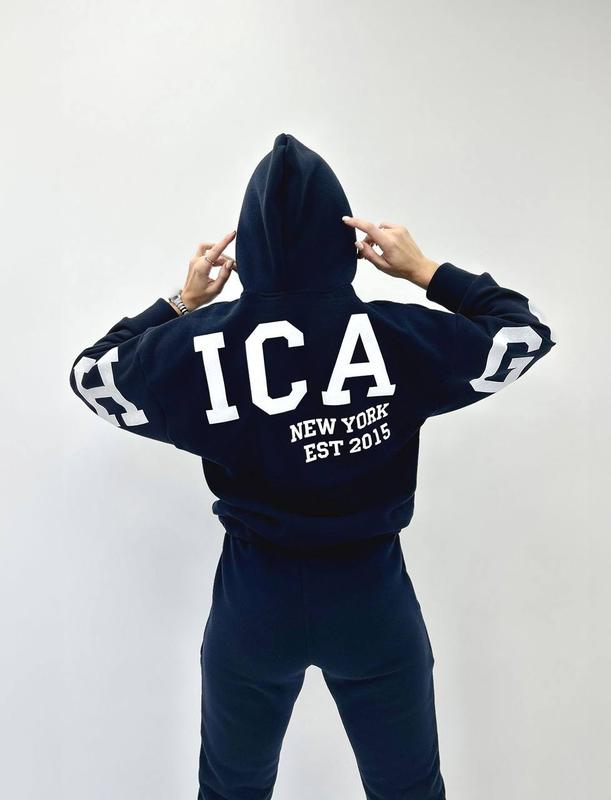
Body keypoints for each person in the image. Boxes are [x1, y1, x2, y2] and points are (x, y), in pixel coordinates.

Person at [69, 132, 556, 800]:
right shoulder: (396, 334)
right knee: (408, 789)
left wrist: (182, 303)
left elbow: (92, 376)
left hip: (254, 602)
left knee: (231, 789)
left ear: (248, 251)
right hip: (371, 599)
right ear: (344, 244)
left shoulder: (203, 347)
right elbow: (524, 334)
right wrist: (425, 272)